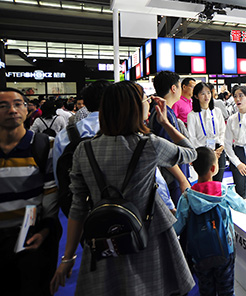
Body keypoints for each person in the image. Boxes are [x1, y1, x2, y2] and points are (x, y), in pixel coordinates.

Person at [50, 81, 197, 295]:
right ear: (134, 108)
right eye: (145, 99)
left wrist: (68, 257)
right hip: (149, 233)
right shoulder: (149, 144)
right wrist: (165, 122)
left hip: (104, 237)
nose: (149, 103)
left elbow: (78, 207)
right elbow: (190, 152)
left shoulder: (84, 149)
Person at [174, 147, 246, 296]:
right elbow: (241, 205)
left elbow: (177, 226)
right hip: (224, 250)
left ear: (193, 167)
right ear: (214, 168)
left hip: (199, 254)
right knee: (226, 289)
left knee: (206, 289)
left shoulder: (187, 197)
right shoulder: (223, 191)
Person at [0, 87, 60, 296]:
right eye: (3, 106)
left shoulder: (44, 145)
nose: (12, 110)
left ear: (28, 110)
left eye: (18, 104)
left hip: (31, 238)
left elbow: (51, 192)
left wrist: (45, 230)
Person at [150, 71, 191, 206]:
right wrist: (182, 179)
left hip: (175, 176)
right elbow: (165, 152)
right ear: (174, 88)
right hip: (172, 179)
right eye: (179, 86)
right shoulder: (163, 114)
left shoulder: (165, 111)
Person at [187, 82, 226, 182]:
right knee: (205, 183)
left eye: (208, 93)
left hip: (218, 150)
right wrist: (209, 153)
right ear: (196, 96)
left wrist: (221, 146)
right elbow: (192, 137)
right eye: (203, 93)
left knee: (218, 182)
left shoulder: (217, 111)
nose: (207, 96)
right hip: (202, 153)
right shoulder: (192, 115)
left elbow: (222, 131)